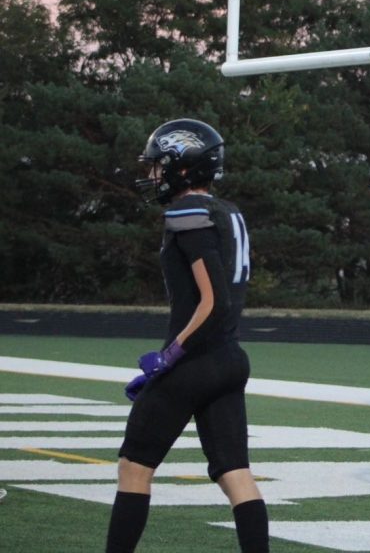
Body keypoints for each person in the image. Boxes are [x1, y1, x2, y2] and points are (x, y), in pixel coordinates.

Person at [108, 119, 268, 553]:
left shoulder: (187, 215)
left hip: (195, 360)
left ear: (183, 166)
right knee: (236, 475)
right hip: (229, 358)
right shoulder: (228, 212)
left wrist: (171, 354)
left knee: (134, 467)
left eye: (160, 166)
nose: (154, 174)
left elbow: (212, 300)